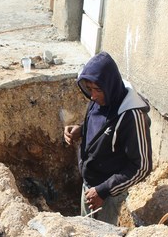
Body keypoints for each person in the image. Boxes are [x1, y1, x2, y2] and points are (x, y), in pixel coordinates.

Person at [63, 51, 152, 225]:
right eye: (89, 89)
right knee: (86, 228)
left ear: (110, 85)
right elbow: (102, 128)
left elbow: (142, 166)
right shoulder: (98, 100)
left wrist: (103, 191)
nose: (93, 96)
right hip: (89, 183)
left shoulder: (131, 115)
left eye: (97, 90)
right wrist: (81, 130)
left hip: (108, 195)